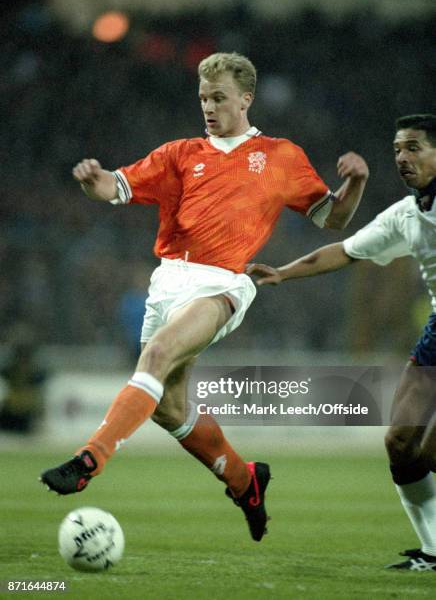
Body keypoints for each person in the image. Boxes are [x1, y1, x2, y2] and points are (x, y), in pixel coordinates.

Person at [40, 52, 368, 542]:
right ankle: (245, 481)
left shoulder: (280, 156)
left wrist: (356, 183)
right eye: (203, 98)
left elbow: (332, 219)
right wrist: (94, 182)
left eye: (219, 98)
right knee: (169, 407)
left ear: (246, 99)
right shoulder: (180, 154)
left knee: (157, 353)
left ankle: (91, 459)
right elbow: (116, 187)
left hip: (224, 283)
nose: (209, 107)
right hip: (169, 279)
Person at [247, 113, 436, 567]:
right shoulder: (406, 215)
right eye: (397, 149)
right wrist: (282, 273)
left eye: (414, 148)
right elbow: (345, 250)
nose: (402, 158)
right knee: (401, 443)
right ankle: (432, 551)